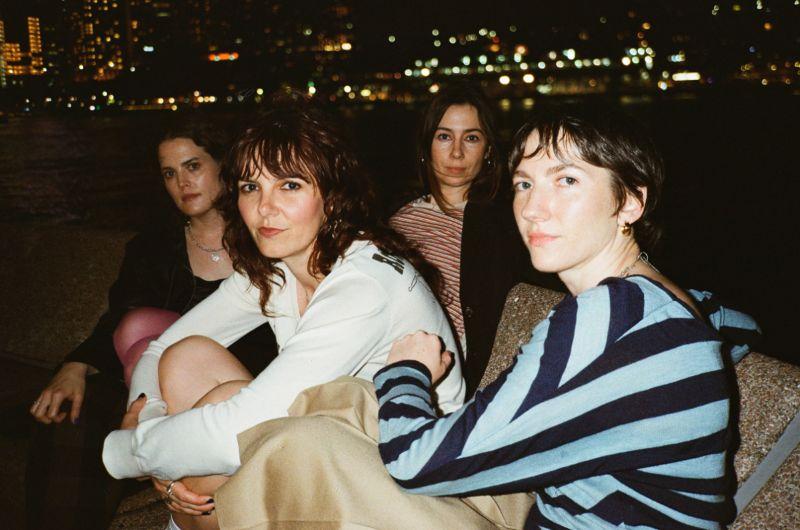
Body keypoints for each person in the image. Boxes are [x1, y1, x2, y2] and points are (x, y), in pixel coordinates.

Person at [375, 107, 761, 528]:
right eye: (524, 184)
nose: (532, 209)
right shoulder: (666, 302)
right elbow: (741, 326)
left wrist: (406, 370)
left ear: (630, 202)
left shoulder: (611, 317)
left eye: (567, 181)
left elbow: (414, 464)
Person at [101, 102, 467, 530]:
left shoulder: (363, 284)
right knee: (187, 357)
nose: (265, 208)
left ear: (332, 195)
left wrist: (132, 452)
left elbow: (239, 428)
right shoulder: (278, 268)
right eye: (251, 187)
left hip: (407, 477)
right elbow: (161, 347)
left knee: (219, 427)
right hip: (329, 440)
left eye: (289, 185)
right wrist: (146, 413)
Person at [26, 117, 279, 529]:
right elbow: (120, 318)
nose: (183, 182)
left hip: (228, 382)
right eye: (169, 173)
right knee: (71, 417)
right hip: (144, 378)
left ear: (224, 165)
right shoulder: (154, 246)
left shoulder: (265, 239)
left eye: (193, 166)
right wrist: (75, 365)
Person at [390, 83, 560, 397]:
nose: (457, 152)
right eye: (444, 137)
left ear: (488, 150)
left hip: (477, 381)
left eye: (471, 138)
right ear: (426, 145)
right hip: (401, 361)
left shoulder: (510, 221)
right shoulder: (397, 221)